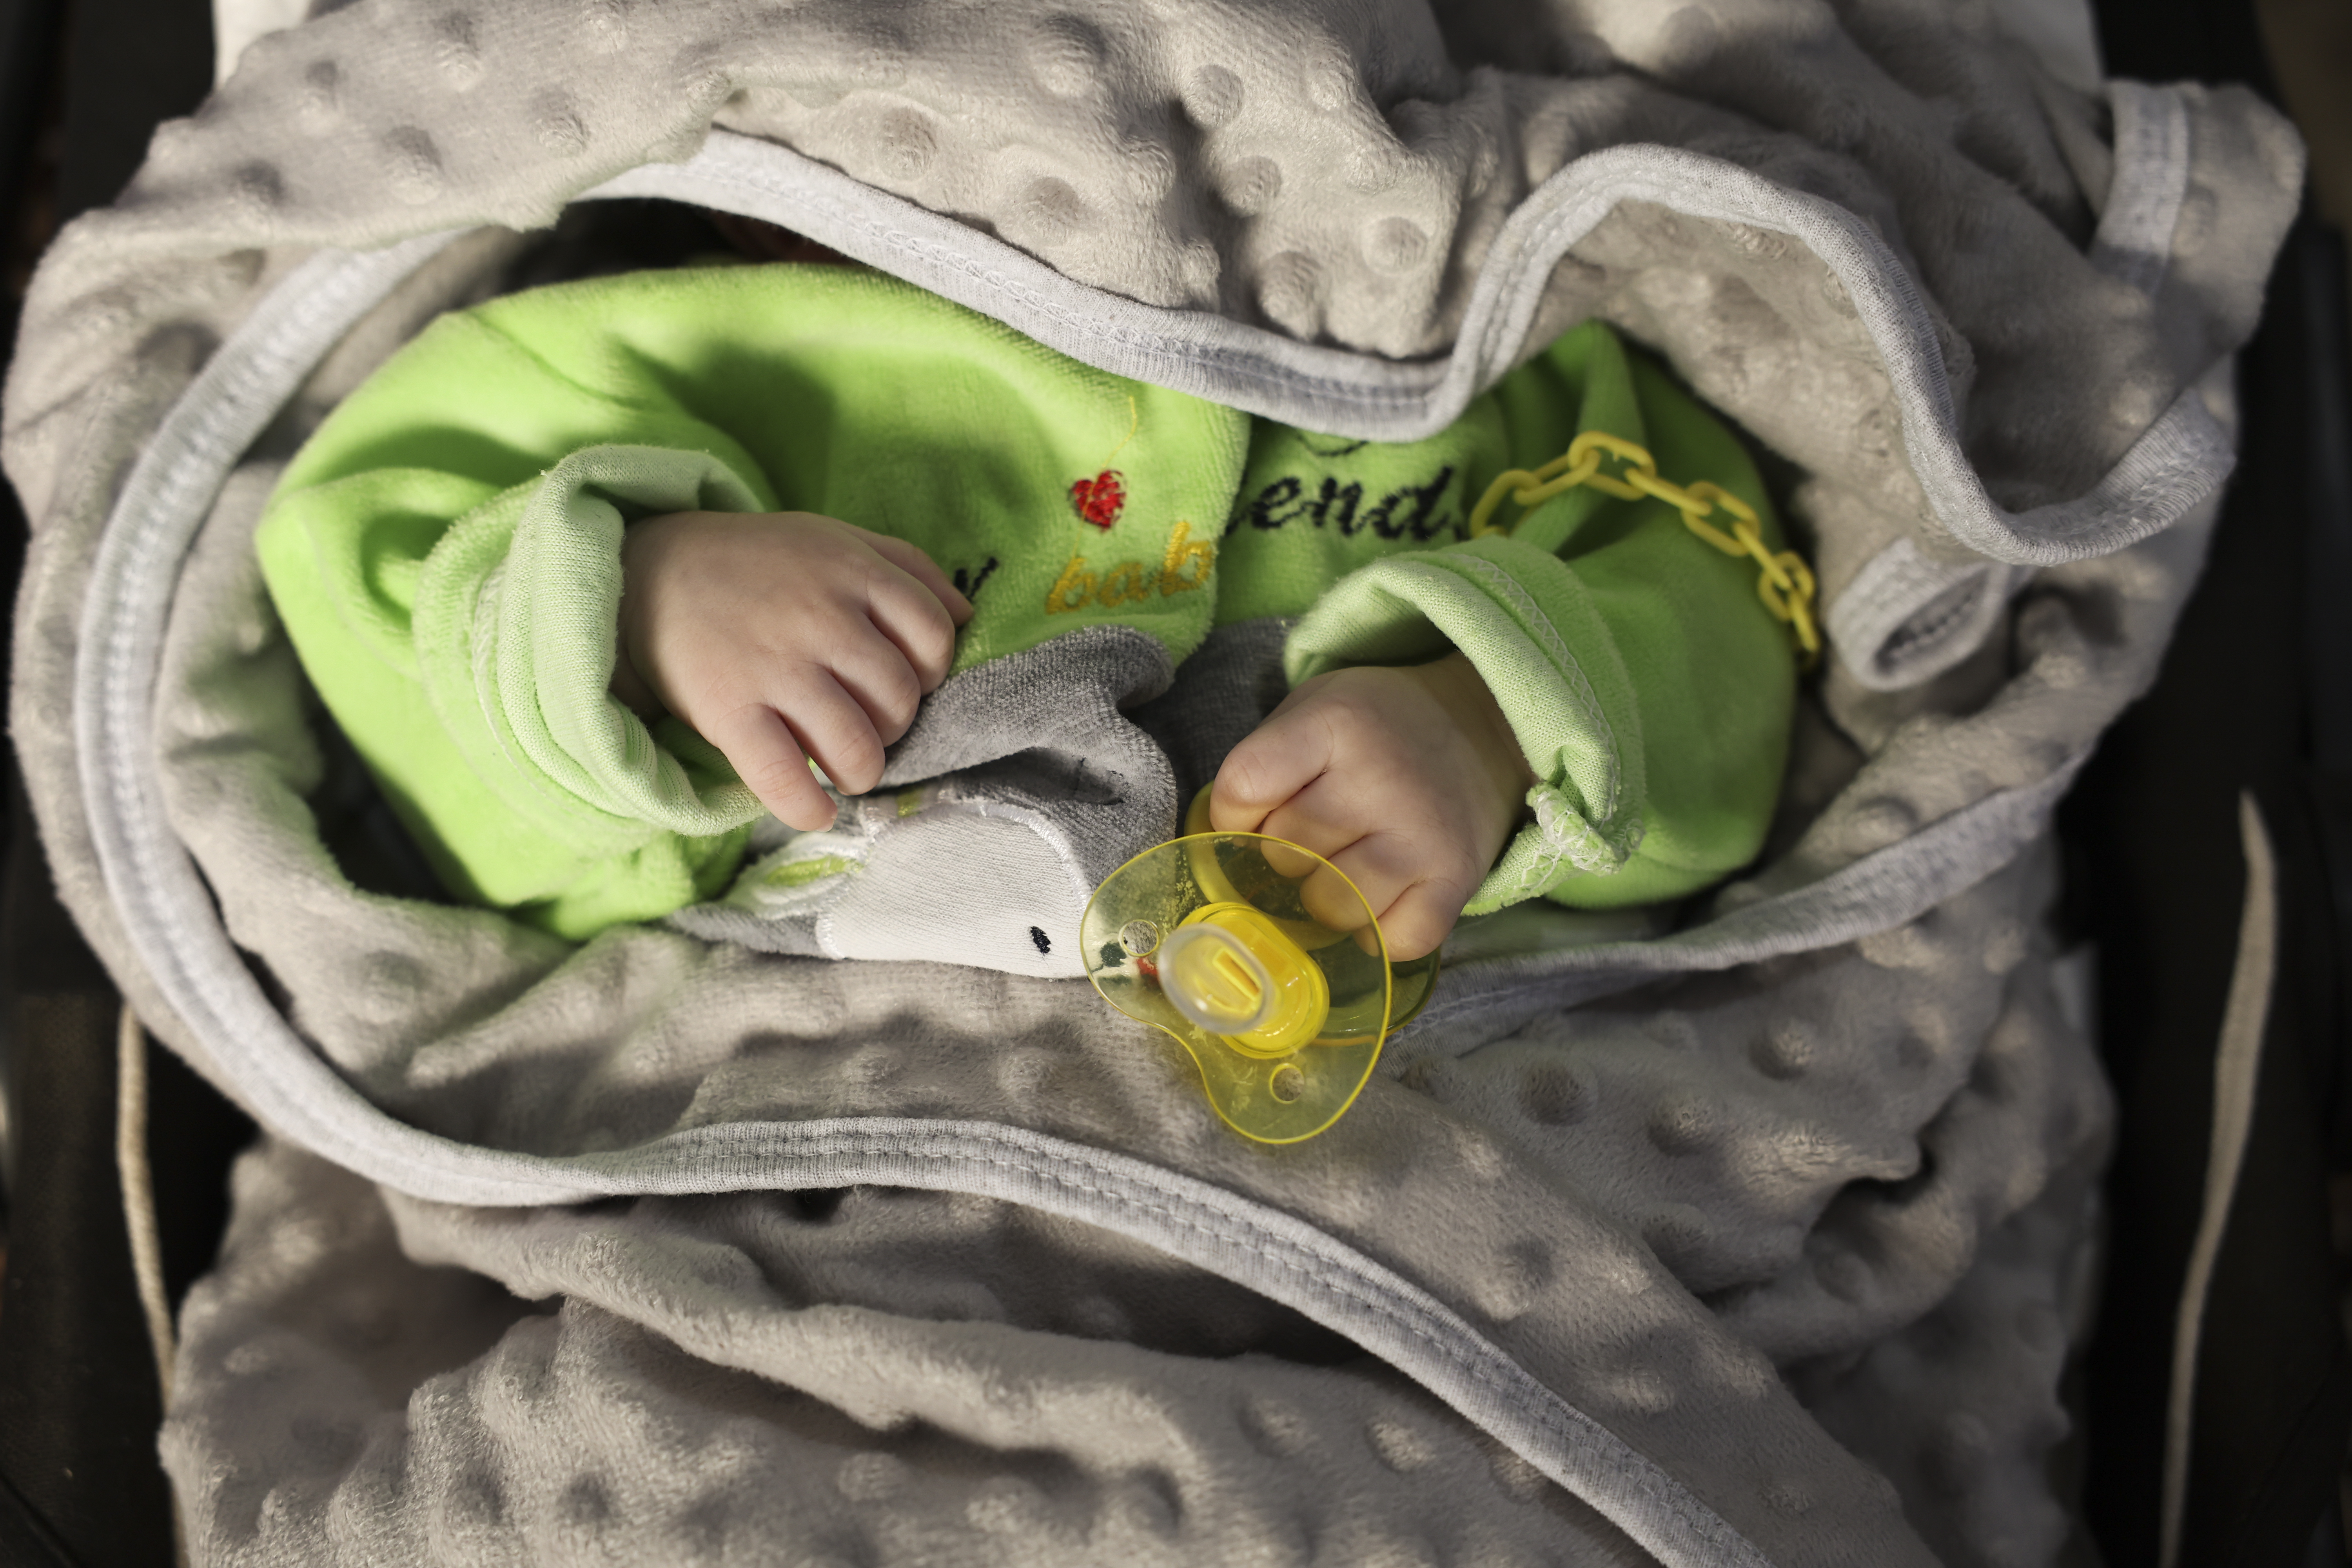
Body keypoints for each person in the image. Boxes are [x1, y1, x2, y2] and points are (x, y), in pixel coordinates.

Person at [256, 258, 1802, 960]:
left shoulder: (1466, 340)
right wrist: (628, 599)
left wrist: (1484, 720)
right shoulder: (667, 331)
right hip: (808, 1176)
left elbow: (1725, 605)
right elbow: (367, 579)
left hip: (1380, 1197)